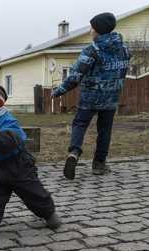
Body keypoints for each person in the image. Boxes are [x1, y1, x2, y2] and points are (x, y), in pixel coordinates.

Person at [0, 84, 61, 236]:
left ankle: (49, 214)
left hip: (18, 166)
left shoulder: (8, 119)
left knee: (33, 193)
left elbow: (12, 140)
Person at [52, 12, 131, 179]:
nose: (90, 30)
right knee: (105, 130)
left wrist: (59, 91)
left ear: (98, 30)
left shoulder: (92, 50)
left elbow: (75, 76)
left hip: (90, 97)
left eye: (92, 27)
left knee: (80, 124)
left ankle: (74, 152)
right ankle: (99, 164)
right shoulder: (124, 49)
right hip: (111, 97)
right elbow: (122, 72)